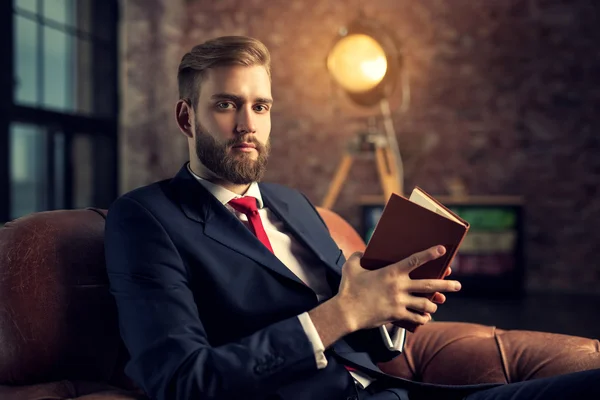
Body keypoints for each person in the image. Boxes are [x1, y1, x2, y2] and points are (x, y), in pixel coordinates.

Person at [104, 36, 600, 400]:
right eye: (226, 105)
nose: (247, 123)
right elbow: (181, 381)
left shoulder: (294, 204)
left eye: (261, 106)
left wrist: (392, 306)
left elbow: (372, 342)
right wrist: (343, 312)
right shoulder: (146, 219)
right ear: (186, 117)